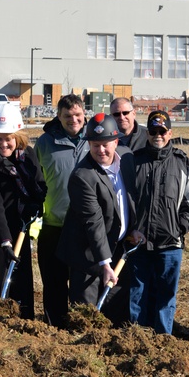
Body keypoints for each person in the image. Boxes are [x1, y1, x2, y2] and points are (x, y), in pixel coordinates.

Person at [59, 113, 141, 325]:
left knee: (116, 312)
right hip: (86, 255)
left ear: (116, 142)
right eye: (95, 145)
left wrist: (133, 228)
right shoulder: (83, 176)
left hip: (117, 249)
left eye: (106, 144)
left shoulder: (127, 159)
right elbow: (93, 223)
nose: (101, 150)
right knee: (86, 315)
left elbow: (129, 199)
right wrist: (105, 264)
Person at [0, 104, 46, 320]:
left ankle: (22, 320)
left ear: (18, 136)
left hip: (19, 226)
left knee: (20, 277)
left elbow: (38, 184)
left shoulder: (27, 156)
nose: (4, 144)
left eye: (9, 138)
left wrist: (35, 203)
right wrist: (4, 241)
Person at [128, 111, 189, 334]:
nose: (157, 135)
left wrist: (178, 228)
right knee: (137, 293)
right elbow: (125, 200)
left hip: (170, 245)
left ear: (169, 133)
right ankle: (136, 337)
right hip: (139, 243)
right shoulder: (134, 161)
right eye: (153, 131)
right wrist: (132, 229)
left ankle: (163, 338)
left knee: (166, 295)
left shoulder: (183, 164)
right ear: (147, 133)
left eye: (162, 131)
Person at [34, 94, 88, 326]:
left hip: (86, 226)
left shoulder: (95, 140)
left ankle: (79, 322)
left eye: (77, 115)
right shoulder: (45, 142)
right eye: (67, 116)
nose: (73, 120)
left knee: (82, 280)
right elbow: (35, 180)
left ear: (84, 114)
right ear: (58, 116)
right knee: (54, 280)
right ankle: (54, 323)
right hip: (54, 225)